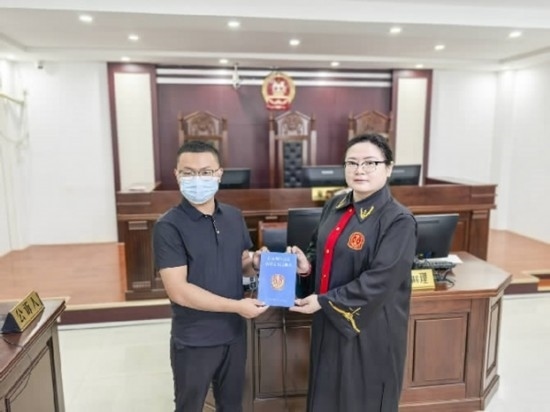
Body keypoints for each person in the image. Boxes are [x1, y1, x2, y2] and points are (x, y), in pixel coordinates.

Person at [289, 133, 417, 412]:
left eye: (370, 163)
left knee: (360, 399)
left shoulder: (398, 220)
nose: (360, 170)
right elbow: (318, 250)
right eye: (352, 163)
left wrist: (324, 301)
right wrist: (306, 267)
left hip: (370, 329)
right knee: (326, 395)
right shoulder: (334, 205)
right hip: (329, 320)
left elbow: (380, 281)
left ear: (389, 168)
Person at [152, 140, 268, 412]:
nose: (197, 179)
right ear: (177, 175)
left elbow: (240, 263)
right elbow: (179, 291)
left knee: (232, 405)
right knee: (190, 406)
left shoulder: (234, 216)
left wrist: (255, 263)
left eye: (205, 172)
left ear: (219, 174)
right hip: (195, 338)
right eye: (188, 172)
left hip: (234, 334)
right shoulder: (168, 227)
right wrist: (236, 306)